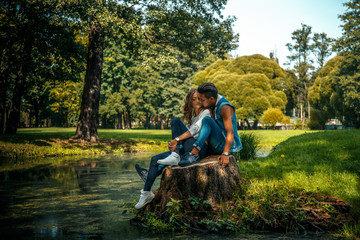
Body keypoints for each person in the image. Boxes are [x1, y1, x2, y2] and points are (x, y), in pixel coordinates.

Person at [134, 88, 211, 209]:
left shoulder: (206, 113)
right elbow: (186, 136)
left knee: (175, 121)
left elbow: (193, 131)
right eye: (193, 99)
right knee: (154, 159)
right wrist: (176, 143)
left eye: (199, 98)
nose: (197, 101)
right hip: (188, 148)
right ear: (189, 101)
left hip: (198, 150)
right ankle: (146, 192)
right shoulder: (191, 117)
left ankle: (173, 157)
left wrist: (176, 140)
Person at [180, 82, 242, 168]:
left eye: (202, 100)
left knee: (207, 120)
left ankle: (194, 154)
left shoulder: (225, 108)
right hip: (213, 143)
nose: (199, 102)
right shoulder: (213, 102)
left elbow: (230, 133)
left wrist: (225, 153)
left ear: (212, 99)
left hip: (224, 145)